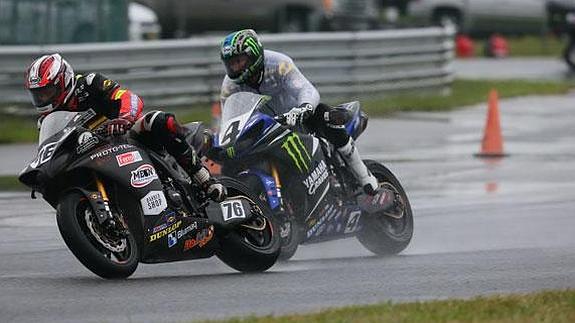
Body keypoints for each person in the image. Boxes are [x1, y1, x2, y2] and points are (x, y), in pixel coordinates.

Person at [25, 53, 226, 202]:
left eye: (47, 92)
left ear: (64, 81)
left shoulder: (89, 84)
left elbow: (129, 98)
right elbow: (50, 150)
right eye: (38, 95)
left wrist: (124, 119)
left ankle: (203, 178)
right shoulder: (46, 121)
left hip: (125, 136)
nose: (43, 99)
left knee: (159, 120)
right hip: (90, 156)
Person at [219, 29, 378, 195]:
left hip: (299, 117)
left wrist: (304, 108)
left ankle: (365, 178)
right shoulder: (230, 86)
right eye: (231, 63)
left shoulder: (278, 64)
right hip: (268, 131)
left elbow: (306, 88)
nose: (235, 67)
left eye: (239, 61)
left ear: (254, 55)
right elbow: (229, 119)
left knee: (325, 115)